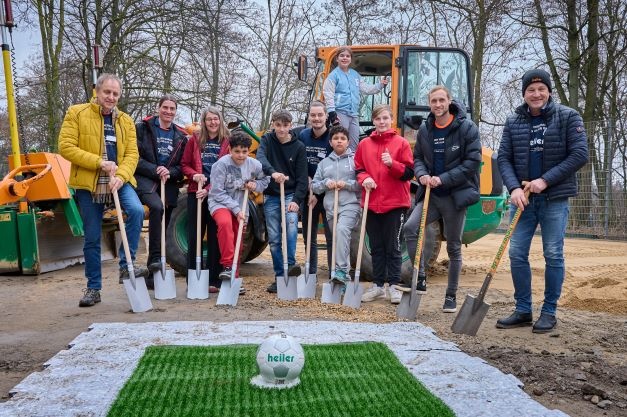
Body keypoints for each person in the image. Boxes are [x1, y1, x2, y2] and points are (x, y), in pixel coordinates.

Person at [496, 69, 588, 333]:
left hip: (554, 199)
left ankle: (549, 312)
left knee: (553, 254)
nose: (536, 94)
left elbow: (579, 154)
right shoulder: (514, 121)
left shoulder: (568, 117)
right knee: (516, 253)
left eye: (541, 89)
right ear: (524, 94)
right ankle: (523, 310)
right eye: (530, 90)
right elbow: (504, 158)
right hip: (522, 200)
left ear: (548, 91)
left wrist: (545, 181)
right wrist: (513, 187)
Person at [58, 73, 145, 307]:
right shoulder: (76, 113)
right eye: (107, 92)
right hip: (89, 183)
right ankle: (93, 288)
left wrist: (123, 175)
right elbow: (66, 146)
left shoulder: (125, 120)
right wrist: (99, 162)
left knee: (136, 211)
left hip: (118, 180)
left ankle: (127, 266)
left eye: (116, 93)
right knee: (93, 237)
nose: (111, 97)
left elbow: (132, 154)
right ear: (96, 91)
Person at [402, 85, 482, 313]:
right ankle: (421, 277)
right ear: (430, 104)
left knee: (454, 247)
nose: (438, 105)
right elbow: (417, 157)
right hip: (431, 196)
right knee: (410, 227)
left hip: (455, 196)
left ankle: (451, 296)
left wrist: (444, 179)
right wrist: (422, 175)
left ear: (449, 101)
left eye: (441, 100)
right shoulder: (426, 129)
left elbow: (472, 162)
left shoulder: (466, 128)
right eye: (433, 101)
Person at [354, 104, 413, 304]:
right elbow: (358, 169)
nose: (382, 122)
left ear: (391, 120)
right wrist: (365, 180)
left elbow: (408, 173)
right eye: (378, 119)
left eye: (385, 118)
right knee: (376, 247)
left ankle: (394, 287)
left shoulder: (401, 143)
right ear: (373, 121)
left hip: (395, 203)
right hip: (371, 203)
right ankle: (378, 286)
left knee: (393, 246)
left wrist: (392, 164)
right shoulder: (364, 145)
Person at [134, 94, 187, 277]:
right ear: (159, 108)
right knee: (157, 208)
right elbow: (134, 158)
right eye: (165, 107)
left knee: (165, 222)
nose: (168, 111)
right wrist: (156, 169)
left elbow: (182, 167)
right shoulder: (143, 128)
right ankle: (156, 257)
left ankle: (153, 269)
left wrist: (169, 172)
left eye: (172, 109)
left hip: (168, 184)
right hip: (146, 180)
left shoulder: (181, 136)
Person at [257, 109, 308, 293]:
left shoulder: (299, 147)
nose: (281, 129)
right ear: (273, 124)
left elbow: (302, 179)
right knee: (274, 238)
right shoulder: (267, 140)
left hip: (290, 194)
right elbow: (260, 158)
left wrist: (296, 200)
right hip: (271, 194)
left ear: (290, 126)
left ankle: (291, 264)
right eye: (278, 125)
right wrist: (273, 172)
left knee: (291, 226)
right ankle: (280, 276)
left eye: (285, 125)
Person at [180, 106, 230, 291]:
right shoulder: (195, 139)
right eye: (209, 119)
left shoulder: (227, 141)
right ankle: (193, 279)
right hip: (196, 194)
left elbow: (228, 171)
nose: (213, 122)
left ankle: (213, 280)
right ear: (204, 121)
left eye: (216, 119)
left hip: (217, 195)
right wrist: (194, 175)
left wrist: (209, 188)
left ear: (220, 120)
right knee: (195, 236)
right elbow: (184, 164)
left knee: (215, 237)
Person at [209, 131, 270, 278]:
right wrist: (235, 209)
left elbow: (265, 180)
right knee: (225, 224)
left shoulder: (254, 164)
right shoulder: (221, 165)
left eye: (244, 152)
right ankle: (228, 265)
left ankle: (233, 276)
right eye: (237, 151)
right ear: (229, 150)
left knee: (238, 238)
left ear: (249, 151)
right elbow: (217, 191)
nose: (241, 155)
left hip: (241, 204)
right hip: (220, 203)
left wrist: (255, 185)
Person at [311, 125, 361, 287]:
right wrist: (326, 183)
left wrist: (346, 184)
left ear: (347, 142)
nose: (339, 141)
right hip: (331, 208)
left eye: (343, 138)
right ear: (331, 142)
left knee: (341, 231)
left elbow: (361, 183)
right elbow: (315, 186)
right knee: (339, 239)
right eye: (336, 138)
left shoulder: (355, 161)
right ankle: (344, 277)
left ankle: (340, 270)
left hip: (350, 205)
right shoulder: (324, 163)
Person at [323, 46, 389, 152]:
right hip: (340, 113)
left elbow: (366, 89)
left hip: (353, 114)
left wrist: (380, 85)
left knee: (354, 143)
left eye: (347, 56)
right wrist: (332, 113)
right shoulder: (333, 76)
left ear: (350, 59)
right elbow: (328, 94)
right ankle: (339, 165)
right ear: (337, 58)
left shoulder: (355, 75)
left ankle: (351, 165)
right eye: (342, 56)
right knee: (341, 141)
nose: (345, 58)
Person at [298, 101, 333, 278]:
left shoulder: (333, 137)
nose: (317, 118)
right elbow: (299, 161)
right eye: (313, 115)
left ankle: (333, 273)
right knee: (308, 235)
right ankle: (310, 272)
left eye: (320, 115)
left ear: (326, 116)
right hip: (308, 193)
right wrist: (306, 178)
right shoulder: (303, 136)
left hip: (327, 194)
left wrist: (318, 191)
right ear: (309, 117)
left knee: (330, 235)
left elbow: (335, 165)